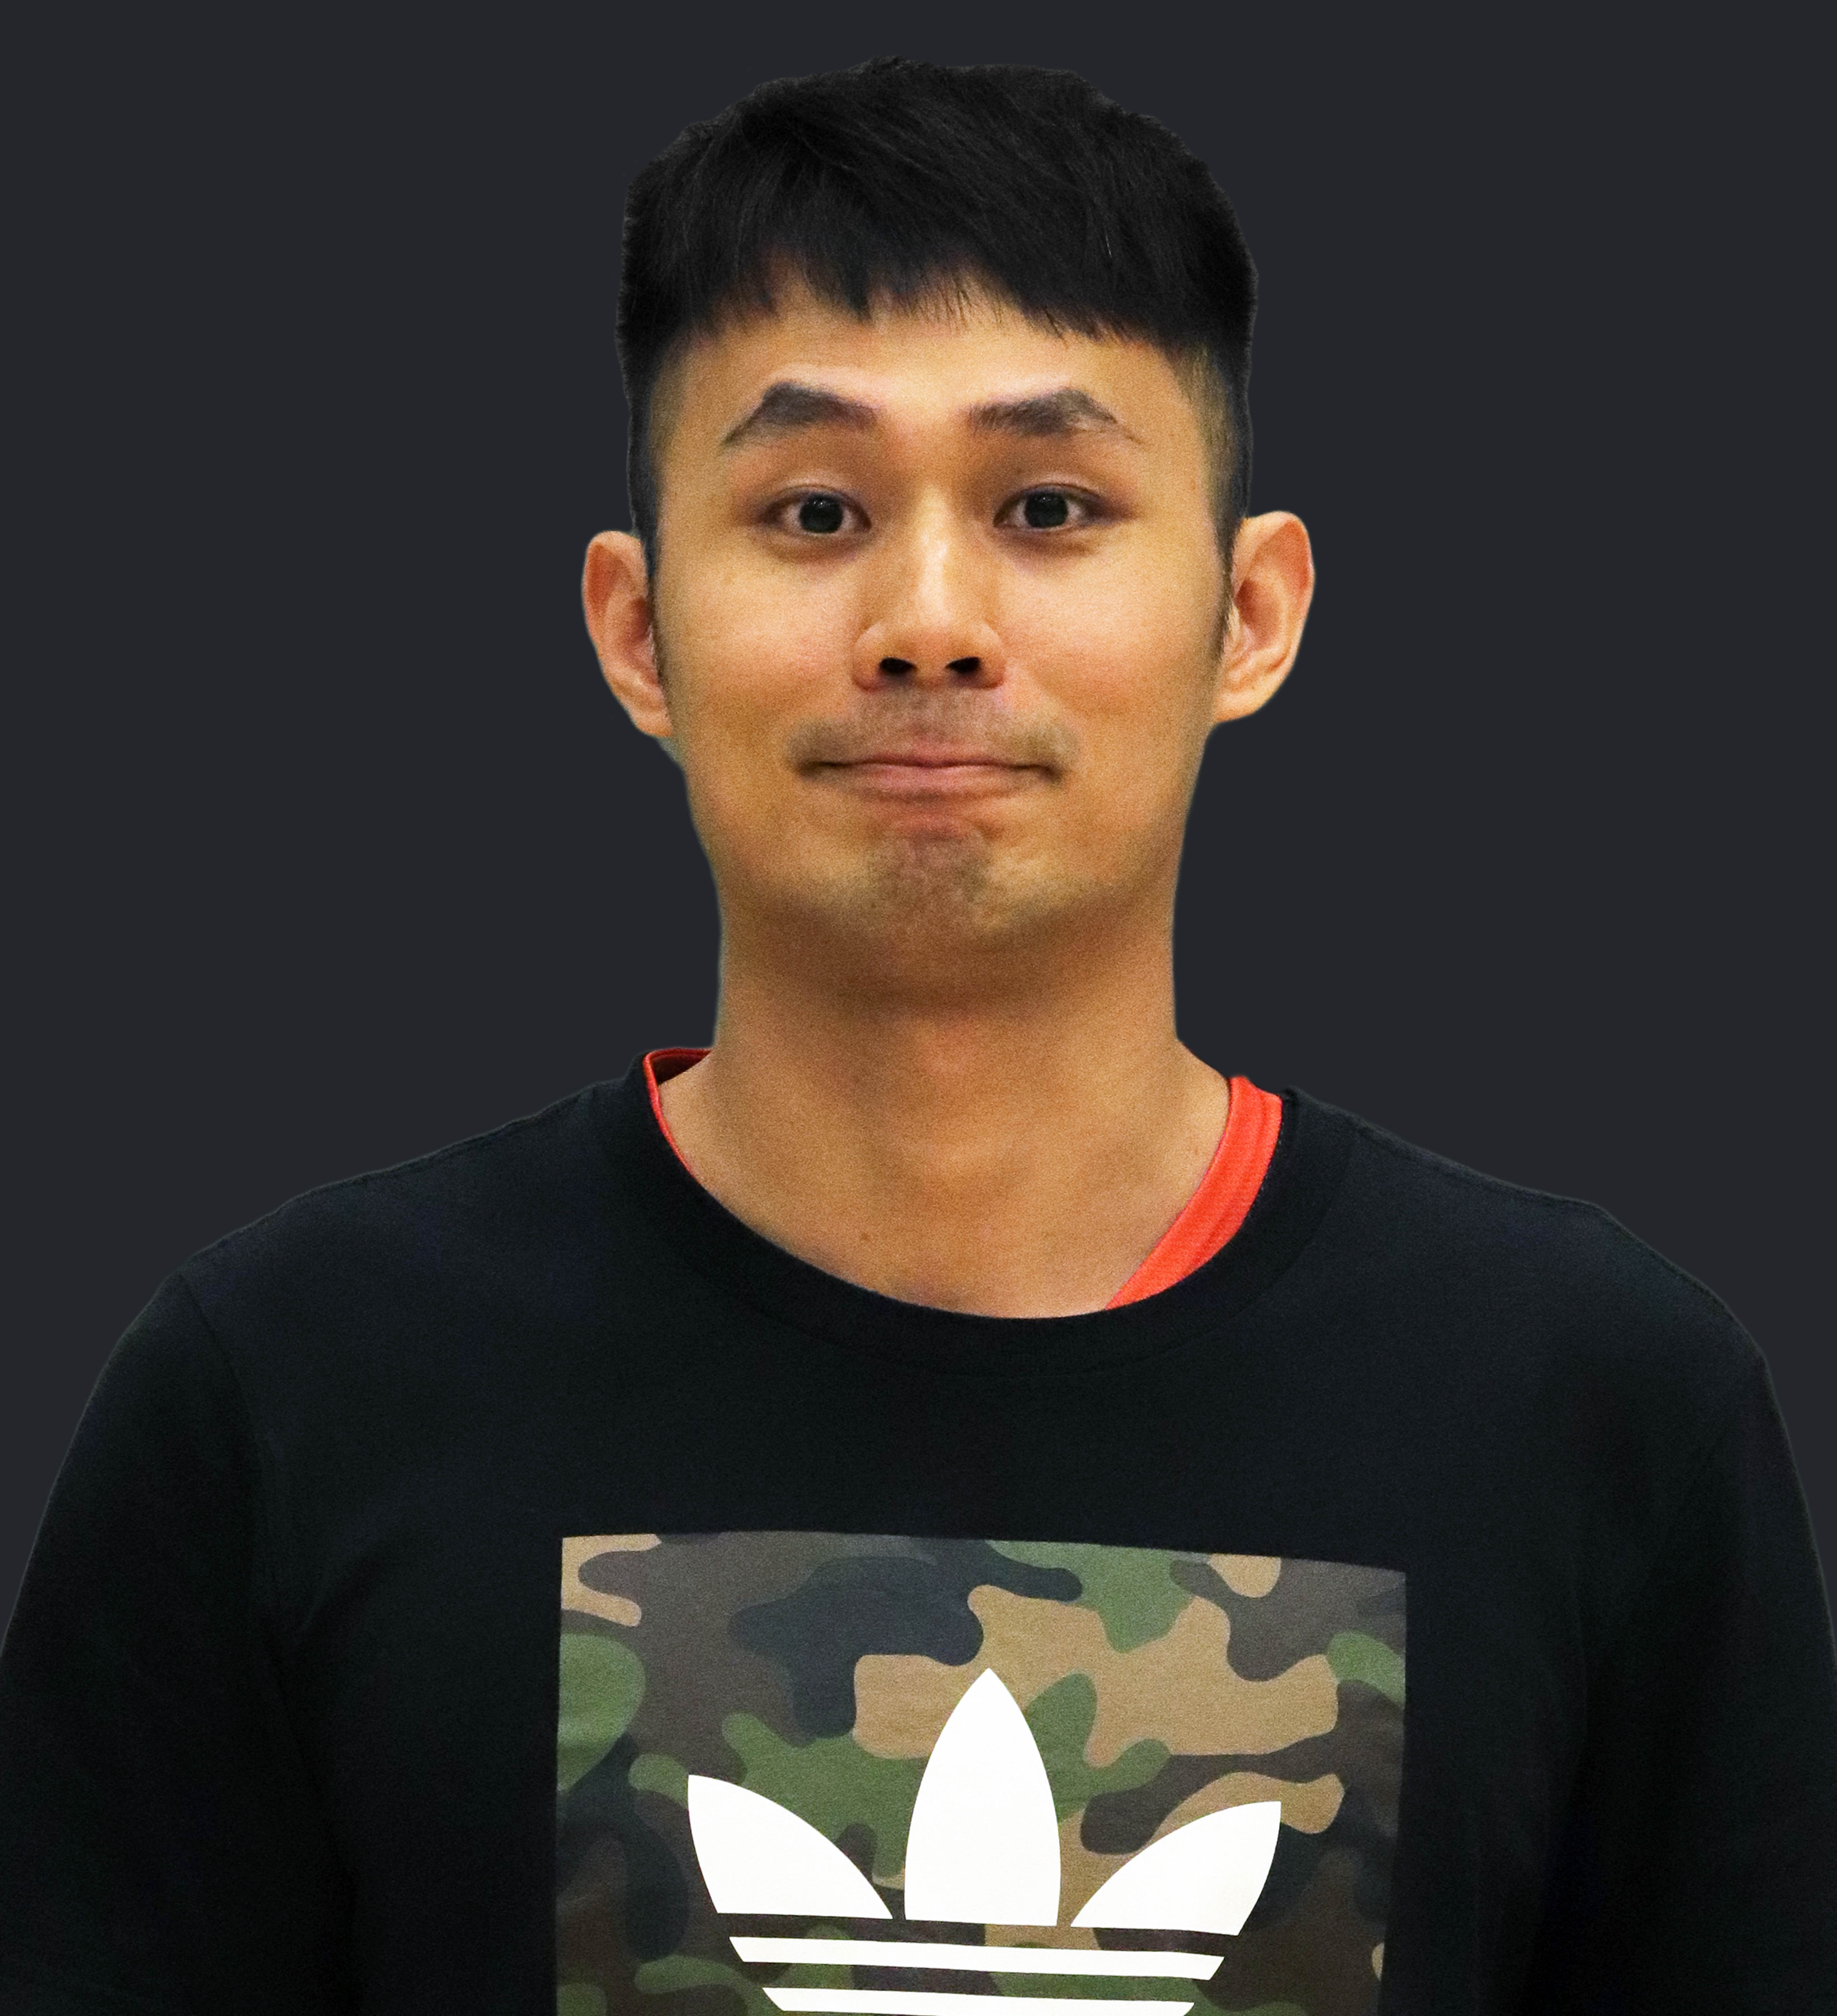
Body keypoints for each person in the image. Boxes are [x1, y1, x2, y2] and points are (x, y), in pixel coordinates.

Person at [2, 54, 1832, 2016]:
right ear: (636, 629)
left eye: (1050, 506)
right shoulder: (284, 1395)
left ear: (1251, 612)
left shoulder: (1599, 1406)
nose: (930, 619)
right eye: (814, 510)